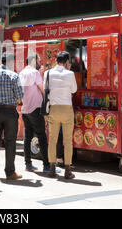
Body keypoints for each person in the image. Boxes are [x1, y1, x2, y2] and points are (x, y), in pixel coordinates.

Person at [0, 52, 24, 180]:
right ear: (11, 62)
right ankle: (10, 172)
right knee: (10, 141)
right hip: (10, 112)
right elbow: (19, 96)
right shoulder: (14, 76)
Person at [19, 54, 57, 173]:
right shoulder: (34, 73)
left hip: (25, 109)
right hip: (35, 108)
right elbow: (42, 89)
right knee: (41, 135)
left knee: (27, 137)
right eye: (39, 60)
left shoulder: (21, 73)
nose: (40, 62)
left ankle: (28, 164)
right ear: (34, 61)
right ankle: (46, 165)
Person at [46, 51, 77, 180]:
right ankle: (68, 170)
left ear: (56, 61)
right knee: (68, 140)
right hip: (66, 109)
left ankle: (52, 169)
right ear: (66, 62)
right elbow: (74, 90)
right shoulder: (70, 74)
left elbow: (45, 89)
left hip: (53, 109)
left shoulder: (47, 73)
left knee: (52, 140)